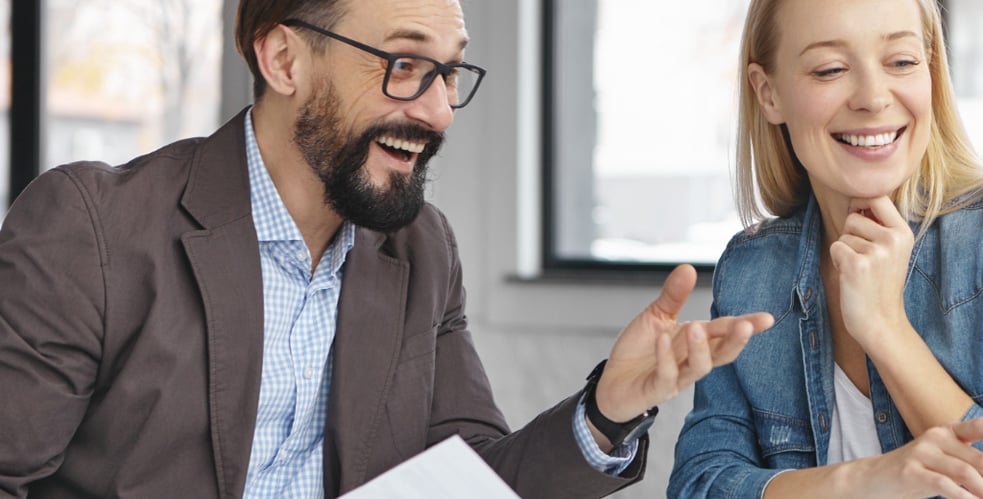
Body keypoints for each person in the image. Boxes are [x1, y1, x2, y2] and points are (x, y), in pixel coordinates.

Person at [0, 0, 773, 497]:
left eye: (450, 72)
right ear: (284, 60)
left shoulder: (421, 249)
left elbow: (470, 475)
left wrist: (604, 412)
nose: (438, 111)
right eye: (405, 66)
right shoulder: (92, 227)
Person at [669, 0, 983, 497]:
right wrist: (866, 479)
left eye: (901, 61)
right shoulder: (751, 271)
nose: (874, 98)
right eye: (830, 69)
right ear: (768, 93)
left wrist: (886, 328)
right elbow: (699, 483)